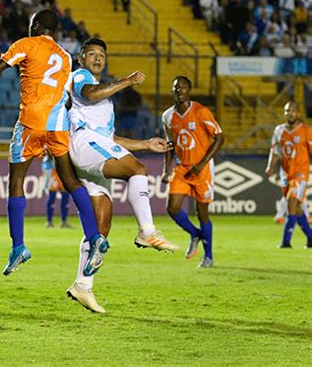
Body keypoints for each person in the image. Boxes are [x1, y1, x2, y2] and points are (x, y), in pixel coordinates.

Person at [0, 9, 109, 277]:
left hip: (31, 122)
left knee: (16, 182)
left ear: (36, 26)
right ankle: (95, 237)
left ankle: (18, 247)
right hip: (58, 125)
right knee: (70, 181)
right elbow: (67, 98)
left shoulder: (26, 44)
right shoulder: (65, 56)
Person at [66, 38, 178, 313]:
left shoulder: (107, 104)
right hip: (84, 144)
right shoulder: (80, 77)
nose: (97, 58)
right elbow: (90, 93)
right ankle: (147, 231)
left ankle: (83, 286)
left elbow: (112, 138)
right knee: (138, 170)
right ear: (81, 59)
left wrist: (146, 144)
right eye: (91, 54)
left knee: (101, 227)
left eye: (101, 54)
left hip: (96, 149)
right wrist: (127, 81)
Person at [162, 76, 224, 269]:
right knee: (172, 208)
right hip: (182, 167)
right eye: (176, 87)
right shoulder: (167, 117)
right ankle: (194, 234)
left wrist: (202, 163)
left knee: (202, 213)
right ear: (172, 91)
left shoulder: (200, 111)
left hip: (202, 169)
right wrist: (166, 170)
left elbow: (220, 138)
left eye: (183, 87)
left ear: (189, 90)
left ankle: (209, 256)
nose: (179, 90)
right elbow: (170, 145)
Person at [265, 102, 312, 249]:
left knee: (292, 203)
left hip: (301, 173)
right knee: (296, 208)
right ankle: (311, 239)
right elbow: (275, 150)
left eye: (292, 111)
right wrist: (270, 166)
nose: (289, 114)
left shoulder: (306, 130)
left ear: (298, 113)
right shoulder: (279, 130)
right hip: (285, 175)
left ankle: (286, 242)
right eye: (287, 111)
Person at [42, 154, 71, 228]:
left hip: (62, 169)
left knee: (65, 195)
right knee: (52, 195)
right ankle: (49, 222)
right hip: (51, 169)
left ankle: (64, 222)